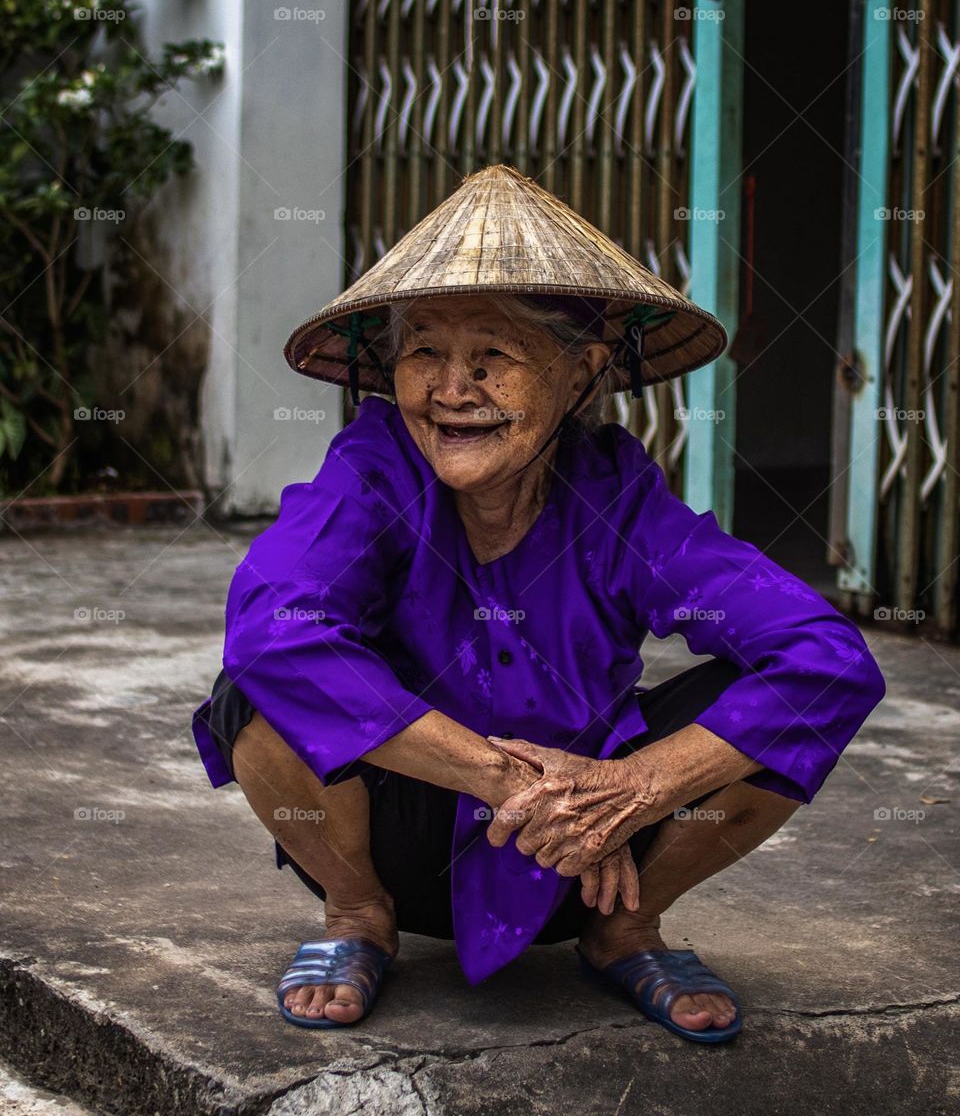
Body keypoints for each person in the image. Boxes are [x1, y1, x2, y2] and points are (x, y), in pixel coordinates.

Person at [190, 165, 885, 1044]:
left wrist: (632, 788)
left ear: (580, 375)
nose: (451, 389)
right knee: (254, 687)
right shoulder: (374, 471)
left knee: (779, 704)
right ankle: (356, 913)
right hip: (402, 830)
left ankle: (625, 930)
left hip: (593, 860)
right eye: (424, 352)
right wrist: (510, 781)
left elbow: (828, 655)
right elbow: (272, 629)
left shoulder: (620, 500)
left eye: (495, 358)